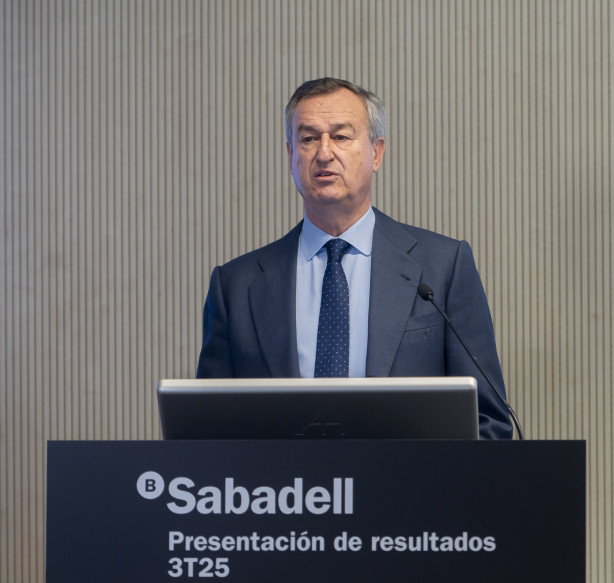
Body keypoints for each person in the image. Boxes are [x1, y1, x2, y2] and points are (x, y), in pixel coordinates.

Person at [196, 77, 512, 440]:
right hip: (285, 495)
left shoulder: (443, 267)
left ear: (376, 152)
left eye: (341, 137)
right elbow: (208, 433)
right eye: (308, 138)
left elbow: (488, 423)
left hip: (409, 492)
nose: (324, 153)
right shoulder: (235, 287)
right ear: (291, 156)